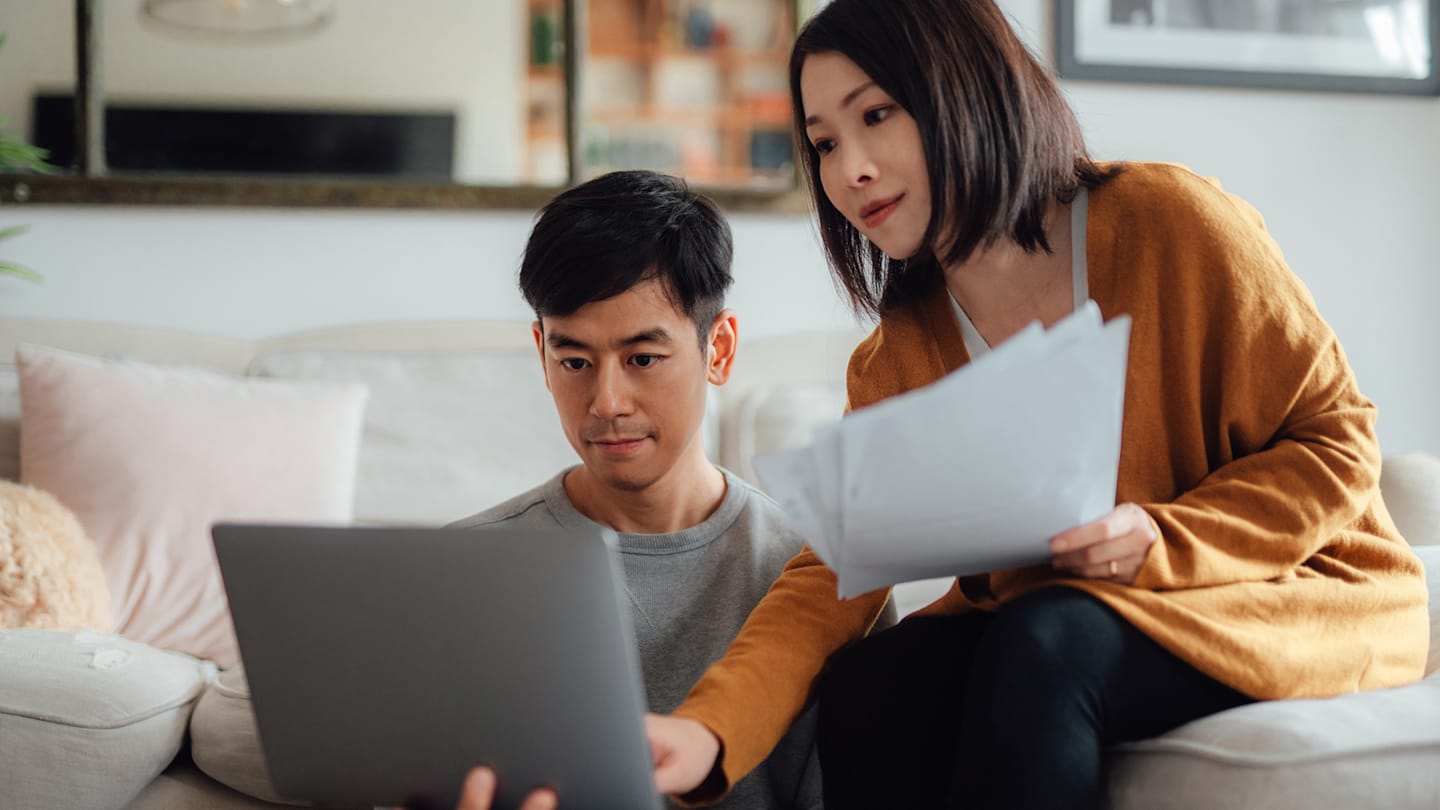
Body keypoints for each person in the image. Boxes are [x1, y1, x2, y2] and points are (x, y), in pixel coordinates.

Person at [641, 0, 1431, 808]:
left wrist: (1161, 538)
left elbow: (1339, 443)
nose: (850, 170)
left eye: (876, 114)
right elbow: (839, 570)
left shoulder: (1175, 223)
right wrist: (709, 732)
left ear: (966, 88)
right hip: (1078, 614)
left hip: (1288, 590)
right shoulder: (900, 352)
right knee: (876, 683)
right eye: (825, 144)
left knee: (1047, 641)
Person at [443, 169, 833, 809]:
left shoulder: (814, 576)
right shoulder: (461, 567)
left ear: (720, 349)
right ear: (541, 352)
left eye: (643, 358)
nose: (606, 402)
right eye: (575, 362)